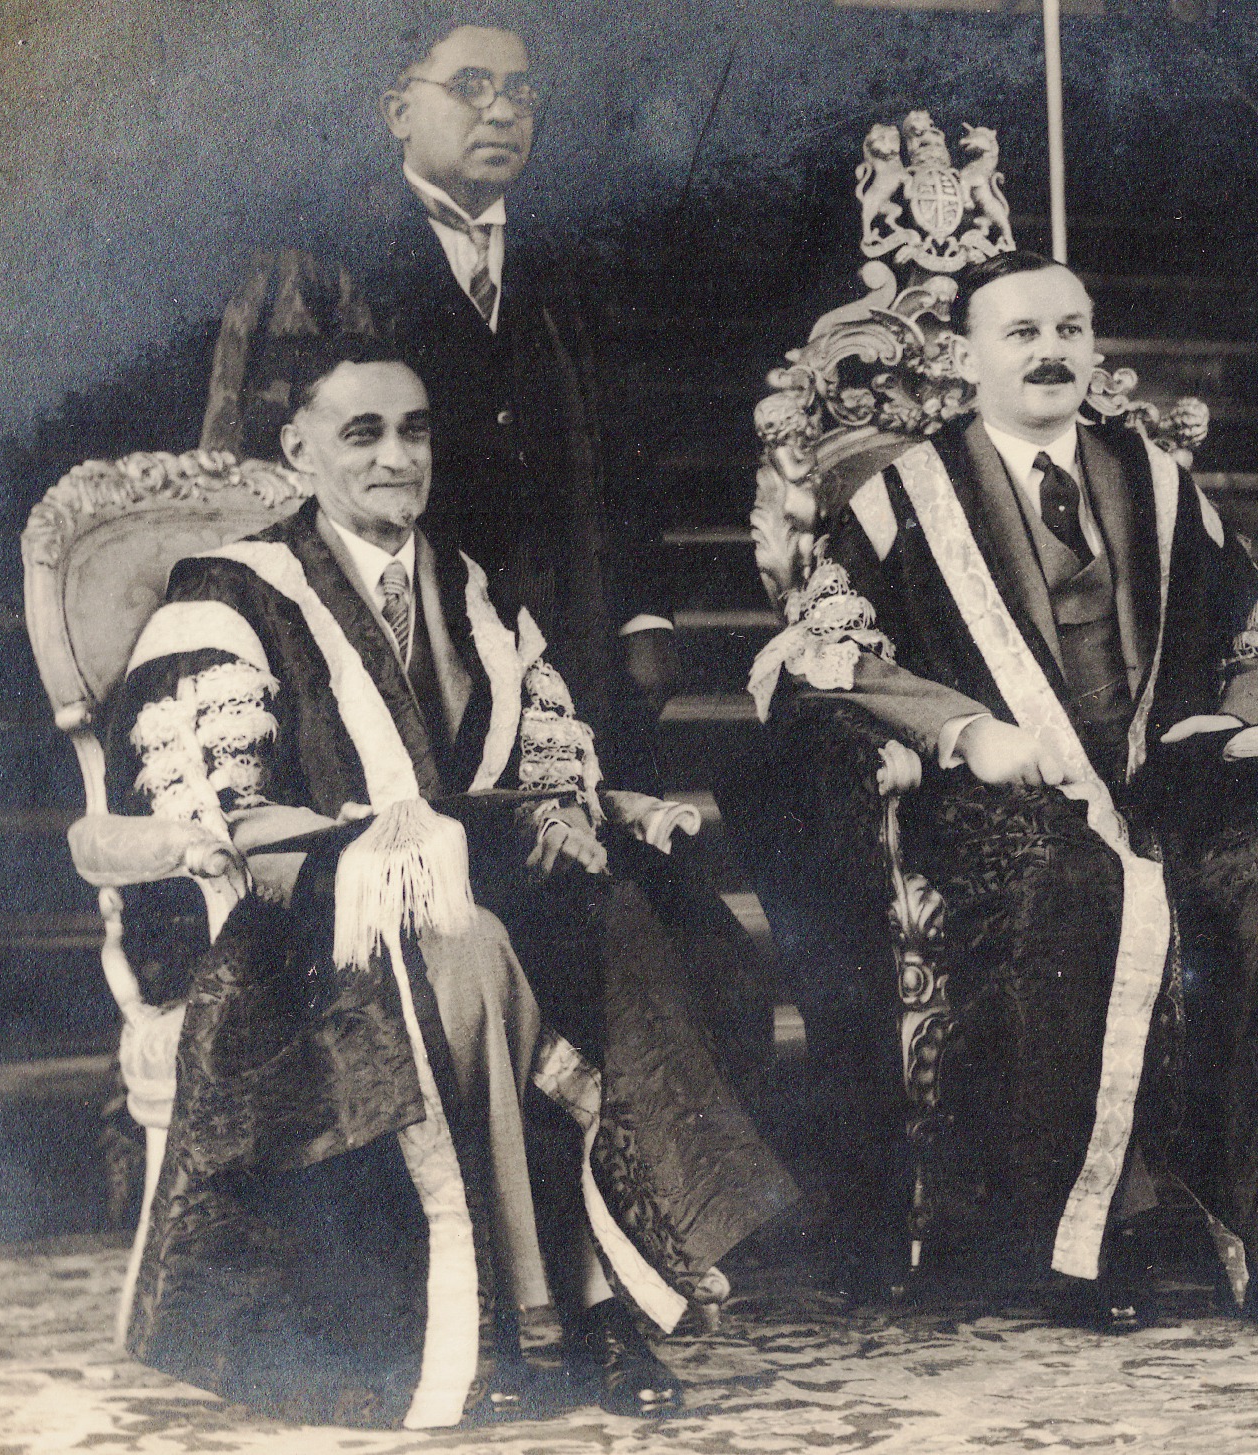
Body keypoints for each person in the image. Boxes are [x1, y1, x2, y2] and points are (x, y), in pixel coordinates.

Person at [108, 339, 797, 1428]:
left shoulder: (464, 587)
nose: (396, 457)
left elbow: (535, 764)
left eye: (414, 430)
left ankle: (613, 1293)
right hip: (296, 922)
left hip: (464, 887)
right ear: (297, 448)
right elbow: (215, 816)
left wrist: (570, 817)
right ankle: (556, 1315)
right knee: (471, 949)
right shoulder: (231, 593)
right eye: (363, 433)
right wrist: (379, 855)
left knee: (618, 912)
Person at [753, 249, 1258, 1338]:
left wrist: (1231, 719)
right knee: (1078, 890)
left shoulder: (1151, 479)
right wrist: (963, 730)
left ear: (1095, 347)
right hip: (1001, 798)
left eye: (1069, 329)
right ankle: (1078, 1240)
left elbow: (1251, 619)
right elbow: (830, 651)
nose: (1050, 351)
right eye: (1021, 333)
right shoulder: (899, 497)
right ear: (965, 357)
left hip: (1159, 783)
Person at [199, 9, 679, 789]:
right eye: (471, 86)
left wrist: (643, 613)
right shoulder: (316, 268)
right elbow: (252, 484)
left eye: (521, 93)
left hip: (572, 646)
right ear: (398, 111)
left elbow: (626, 454)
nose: (501, 111)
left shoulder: (571, 263)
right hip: (401, 661)